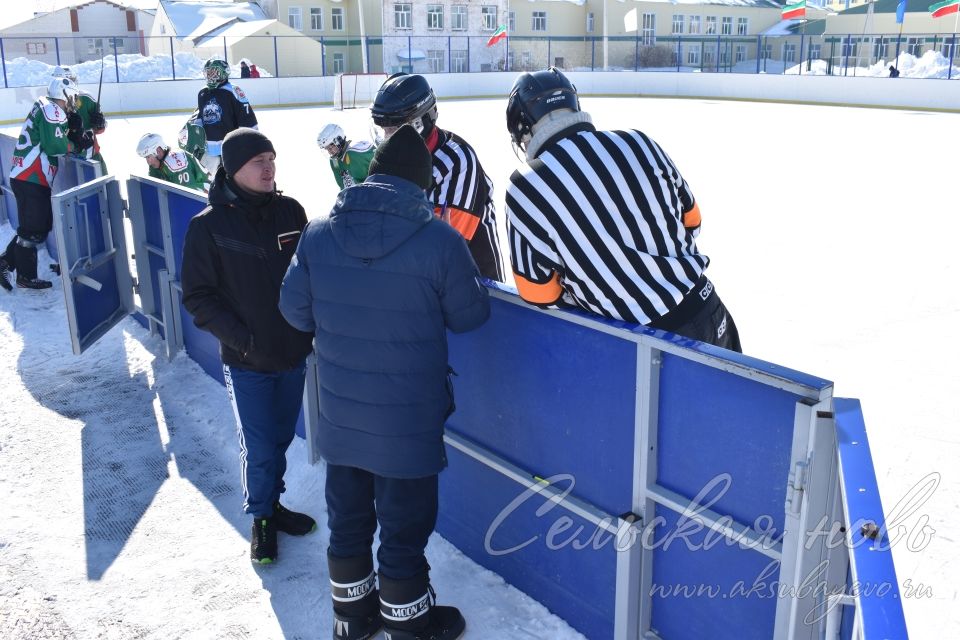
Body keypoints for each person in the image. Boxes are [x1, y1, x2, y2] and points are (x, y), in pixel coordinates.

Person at [279, 125, 490, 640]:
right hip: (407, 419)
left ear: (371, 176)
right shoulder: (440, 239)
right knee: (404, 525)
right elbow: (470, 316)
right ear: (421, 186)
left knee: (347, 518)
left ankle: (351, 621)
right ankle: (409, 622)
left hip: (341, 415)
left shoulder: (318, 230)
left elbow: (293, 310)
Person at [503, 68, 741, 352]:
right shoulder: (639, 141)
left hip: (638, 343)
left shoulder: (525, 186)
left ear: (522, 127)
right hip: (706, 310)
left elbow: (538, 292)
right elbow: (693, 221)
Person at [180, 128, 316, 564]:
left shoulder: (292, 212)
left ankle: (273, 505)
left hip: (292, 355)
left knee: (278, 441)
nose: (269, 167)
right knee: (257, 446)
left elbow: (314, 273)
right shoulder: (208, 227)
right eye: (259, 161)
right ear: (234, 169)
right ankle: (260, 519)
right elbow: (198, 296)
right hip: (247, 362)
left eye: (272, 158)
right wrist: (243, 340)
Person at [371, 73, 505, 282]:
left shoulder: (457, 160)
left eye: (394, 129)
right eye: (383, 130)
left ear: (420, 123)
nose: (387, 139)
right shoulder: (390, 159)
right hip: (417, 281)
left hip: (475, 281)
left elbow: (444, 244)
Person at [0, 77, 92, 291]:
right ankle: (25, 276)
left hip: (27, 175)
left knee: (38, 226)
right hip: (31, 176)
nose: (75, 101)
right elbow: (54, 146)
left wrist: (71, 130)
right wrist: (77, 145)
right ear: (65, 93)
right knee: (33, 229)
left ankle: (5, 262)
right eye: (73, 96)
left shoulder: (46, 106)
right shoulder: (53, 110)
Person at [197, 57, 258, 175]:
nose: (210, 76)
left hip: (231, 147)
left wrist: (250, 142)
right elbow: (200, 117)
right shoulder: (203, 93)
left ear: (224, 73)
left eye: (214, 72)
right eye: (208, 73)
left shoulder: (233, 90)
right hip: (210, 150)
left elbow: (246, 116)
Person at [52, 65, 108, 173]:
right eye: (67, 81)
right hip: (68, 161)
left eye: (72, 80)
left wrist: (100, 124)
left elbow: (99, 128)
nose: (71, 84)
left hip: (92, 156)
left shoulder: (87, 99)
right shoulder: (52, 106)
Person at [136, 132, 210, 192]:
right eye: (146, 158)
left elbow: (185, 195)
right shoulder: (156, 162)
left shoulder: (175, 164)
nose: (148, 162)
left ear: (158, 151)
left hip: (205, 195)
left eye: (148, 157)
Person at [316, 123, 375, 189]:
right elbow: (342, 184)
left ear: (339, 139)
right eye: (326, 149)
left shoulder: (355, 153)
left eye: (331, 147)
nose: (329, 152)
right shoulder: (334, 161)